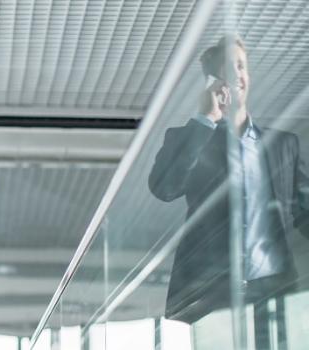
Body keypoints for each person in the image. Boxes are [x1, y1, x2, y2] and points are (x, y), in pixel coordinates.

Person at [148, 35, 309, 348]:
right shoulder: (189, 138)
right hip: (210, 292)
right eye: (229, 68)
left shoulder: (282, 145)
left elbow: (305, 211)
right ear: (213, 81)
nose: (238, 75)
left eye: (242, 66)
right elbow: (164, 188)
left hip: (274, 290)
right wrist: (205, 118)